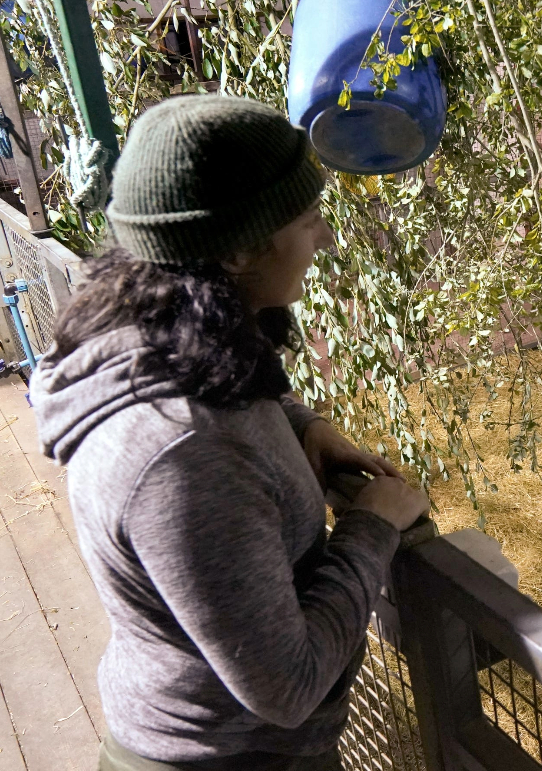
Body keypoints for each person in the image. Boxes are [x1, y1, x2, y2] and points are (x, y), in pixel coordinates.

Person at [29, 95, 428, 771]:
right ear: (243, 248)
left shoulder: (154, 328)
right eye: (308, 219)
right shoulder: (183, 455)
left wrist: (307, 426)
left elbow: (230, 387)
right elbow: (288, 685)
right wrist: (373, 527)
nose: (325, 238)